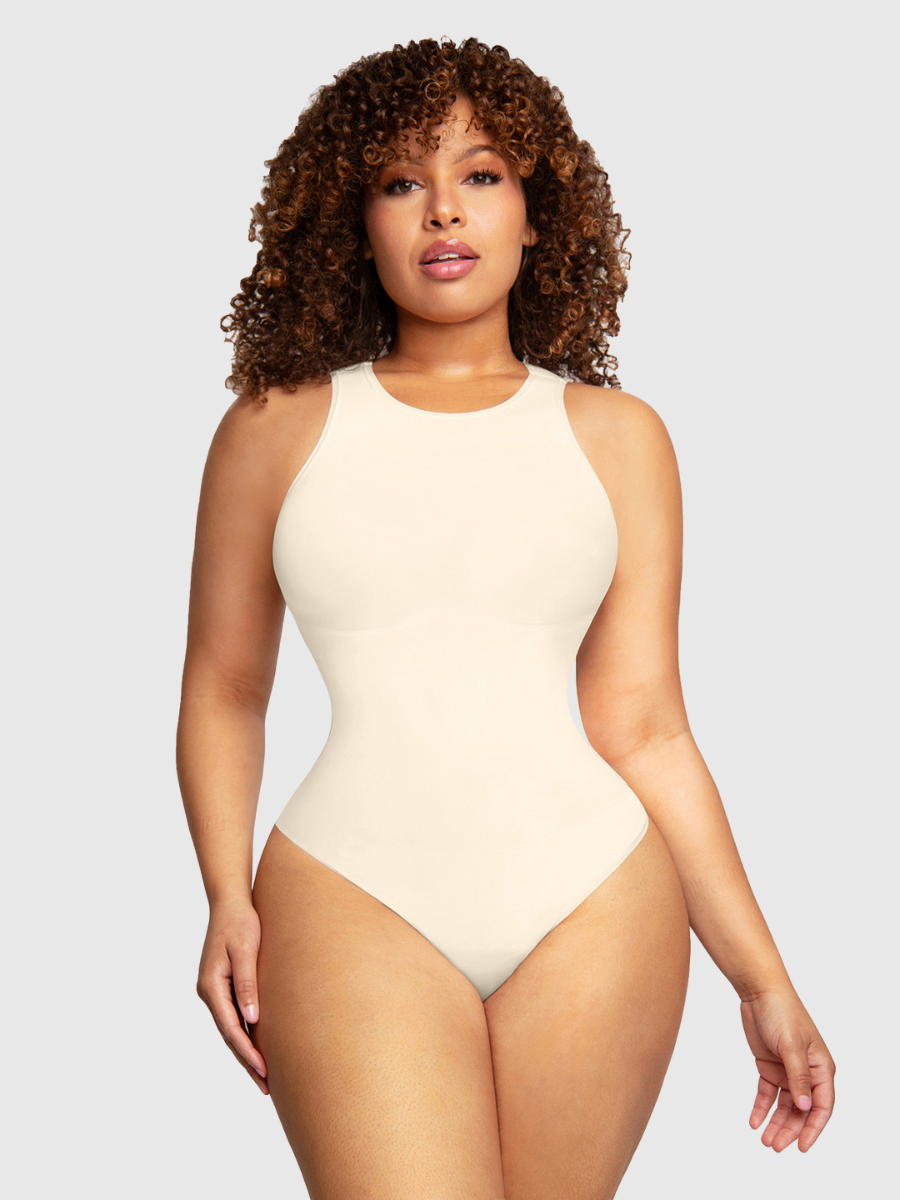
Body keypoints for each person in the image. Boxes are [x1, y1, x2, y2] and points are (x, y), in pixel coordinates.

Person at [176, 35, 836, 1198]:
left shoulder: (620, 439)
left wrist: (764, 976)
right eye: (401, 181)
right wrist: (225, 892)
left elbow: (646, 727)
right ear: (356, 222)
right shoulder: (273, 429)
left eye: (481, 175)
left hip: (596, 898)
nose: (443, 209)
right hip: (348, 893)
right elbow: (226, 688)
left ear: (538, 216)